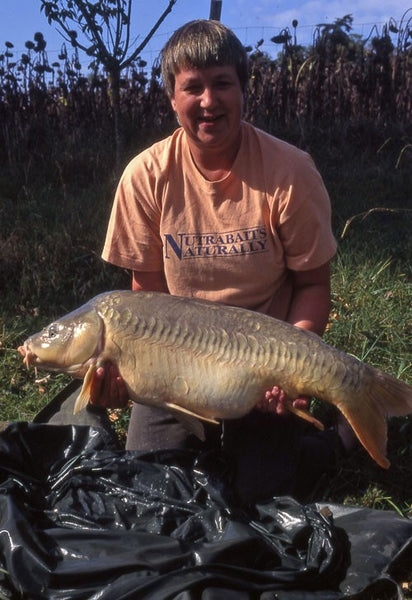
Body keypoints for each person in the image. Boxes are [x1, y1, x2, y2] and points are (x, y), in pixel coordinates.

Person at [94, 19, 350, 503]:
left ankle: (333, 440)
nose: (209, 101)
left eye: (223, 84)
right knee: (152, 491)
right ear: (172, 97)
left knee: (262, 498)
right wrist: (131, 376)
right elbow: (145, 299)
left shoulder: (290, 171)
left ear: (244, 90)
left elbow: (314, 285)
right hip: (176, 360)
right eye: (193, 87)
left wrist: (289, 368)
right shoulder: (145, 177)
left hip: (261, 363)